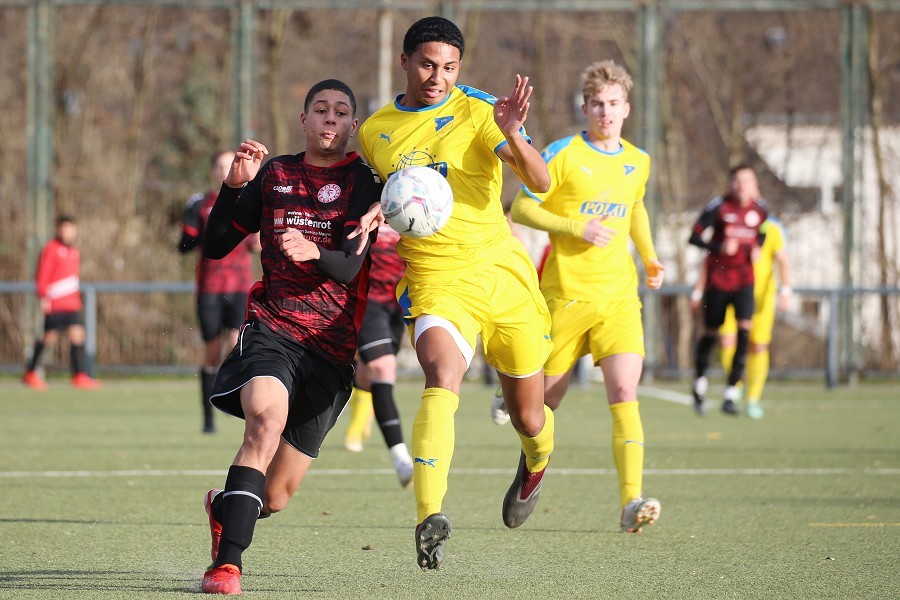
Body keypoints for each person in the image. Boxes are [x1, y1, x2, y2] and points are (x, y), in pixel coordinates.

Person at [358, 16, 556, 571]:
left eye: (448, 67)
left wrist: (513, 130)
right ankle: (429, 516)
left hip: (503, 273)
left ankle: (536, 462)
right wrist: (378, 208)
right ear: (404, 62)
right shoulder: (376, 130)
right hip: (434, 277)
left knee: (530, 418)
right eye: (426, 64)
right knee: (443, 375)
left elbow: (541, 183)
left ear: (459, 68)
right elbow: (382, 192)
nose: (437, 77)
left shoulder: (480, 110)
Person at [197, 79, 383, 595]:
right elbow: (214, 246)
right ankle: (226, 567)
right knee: (265, 420)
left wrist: (313, 252)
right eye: (320, 110)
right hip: (273, 329)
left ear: (352, 125)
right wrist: (233, 188)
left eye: (341, 112)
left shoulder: (364, 183)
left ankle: (226, 507)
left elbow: (348, 267)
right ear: (304, 120)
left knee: (275, 497)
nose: (329, 118)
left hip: (332, 348)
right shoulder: (275, 173)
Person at [494, 60, 666, 533]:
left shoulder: (639, 160)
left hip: (617, 301)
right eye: (597, 104)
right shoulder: (564, 153)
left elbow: (635, 210)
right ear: (585, 107)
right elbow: (524, 206)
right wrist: (576, 226)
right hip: (566, 297)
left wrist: (649, 257)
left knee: (625, 392)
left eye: (614, 104)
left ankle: (631, 502)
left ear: (626, 108)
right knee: (538, 410)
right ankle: (531, 466)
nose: (605, 112)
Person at [178, 151, 261, 434]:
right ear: (214, 171)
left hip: (239, 287)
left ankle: (233, 400)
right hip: (210, 289)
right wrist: (193, 235)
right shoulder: (200, 204)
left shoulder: (248, 203)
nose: (225, 171)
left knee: (237, 343)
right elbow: (185, 245)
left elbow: (256, 246)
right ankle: (208, 418)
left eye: (230, 165)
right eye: (221, 166)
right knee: (212, 352)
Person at [691, 216, 792, 419]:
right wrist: (699, 290)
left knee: (758, 345)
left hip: (761, 298)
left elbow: (783, 260)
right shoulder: (728, 225)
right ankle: (735, 385)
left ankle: (753, 398)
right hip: (730, 291)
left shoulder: (772, 229)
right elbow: (710, 258)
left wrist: (786, 290)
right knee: (727, 340)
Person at [689, 164, 768, 416]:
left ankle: (731, 393)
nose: (741, 185)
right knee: (712, 333)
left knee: (745, 329)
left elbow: (763, 233)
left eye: (747, 180)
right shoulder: (719, 206)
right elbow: (694, 236)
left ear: (754, 184)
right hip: (718, 281)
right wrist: (719, 246)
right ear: (731, 183)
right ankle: (699, 382)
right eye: (737, 180)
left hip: (745, 280)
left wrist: (757, 246)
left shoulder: (760, 209)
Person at [343, 220, 415, 488]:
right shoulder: (365, 194)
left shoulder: (418, 193)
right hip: (369, 300)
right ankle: (400, 457)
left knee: (364, 376)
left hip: (400, 301)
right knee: (383, 371)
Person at [23, 215, 102, 390]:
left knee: (78, 335)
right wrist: (43, 296)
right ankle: (31, 372)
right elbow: (43, 274)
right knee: (49, 338)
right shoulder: (51, 249)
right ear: (58, 229)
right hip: (56, 303)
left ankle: (79, 375)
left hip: (71, 304)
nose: (67, 232)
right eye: (64, 228)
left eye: (71, 229)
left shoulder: (74, 251)